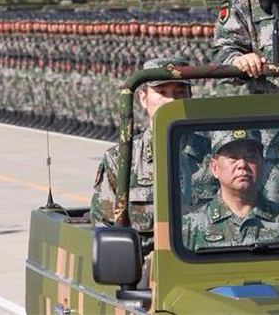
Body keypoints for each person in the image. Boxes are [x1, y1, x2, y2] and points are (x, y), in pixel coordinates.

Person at [90, 57, 213, 243]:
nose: (172, 100)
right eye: (162, 92)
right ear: (143, 98)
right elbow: (105, 228)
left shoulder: (214, 155)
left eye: (180, 92)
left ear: (190, 97)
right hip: (146, 266)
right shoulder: (121, 159)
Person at [182, 129, 279, 250]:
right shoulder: (191, 226)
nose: (242, 164)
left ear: (262, 163)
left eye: (250, 157)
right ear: (214, 167)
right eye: (233, 157)